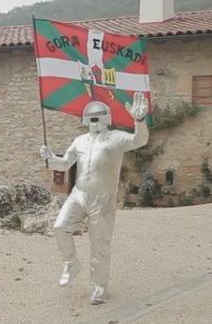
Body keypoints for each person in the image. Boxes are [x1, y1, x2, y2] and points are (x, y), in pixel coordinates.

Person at [39, 92, 150, 304]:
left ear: (106, 118)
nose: (94, 120)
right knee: (60, 227)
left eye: (98, 116)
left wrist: (139, 120)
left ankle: (100, 286)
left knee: (99, 244)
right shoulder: (79, 141)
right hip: (78, 195)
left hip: (103, 199)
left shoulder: (117, 138)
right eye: (91, 117)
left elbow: (140, 139)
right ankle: (71, 263)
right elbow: (63, 165)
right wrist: (50, 157)